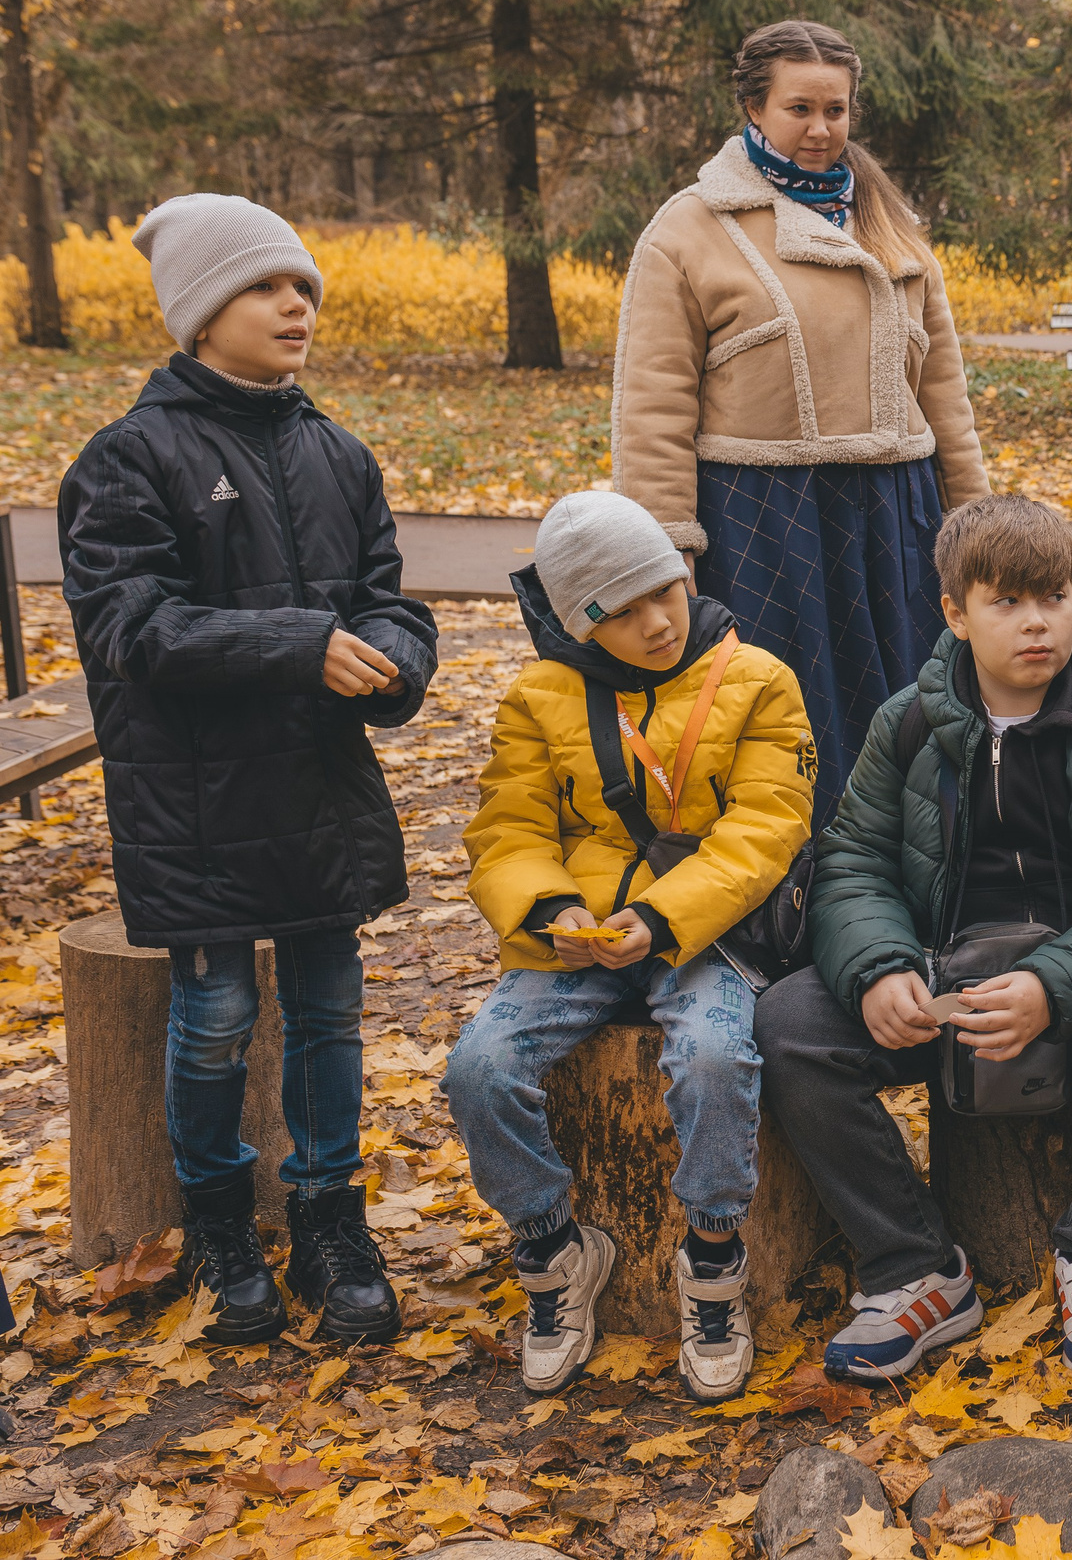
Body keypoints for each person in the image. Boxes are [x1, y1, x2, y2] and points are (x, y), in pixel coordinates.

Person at [59, 194, 439, 1347]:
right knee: (215, 1016)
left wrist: (401, 658)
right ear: (199, 312)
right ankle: (220, 1221)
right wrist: (298, 644)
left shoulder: (337, 451)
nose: (297, 306)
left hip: (319, 796)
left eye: (306, 289)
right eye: (268, 287)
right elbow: (130, 629)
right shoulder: (129, 459)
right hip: (200, 806)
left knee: (330, 1013)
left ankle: (331, 1217)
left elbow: (384, 591)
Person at [760, 496, 1072, 1385]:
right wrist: (881, 967)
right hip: (946, 972)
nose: (1037, 621)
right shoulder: (911, 722)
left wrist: (1055, 983)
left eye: (1053, 595)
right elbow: (852, 858)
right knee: (789, 1022)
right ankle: (917, 1270)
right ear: (955, 612)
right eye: (1006, 600)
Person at [445, 491, 814, 1401]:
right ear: (580, 622)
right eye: (621, 610)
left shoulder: (758, 678)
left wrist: (662, 917)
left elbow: (766, 829)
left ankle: (714, 1255)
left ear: (686, 572)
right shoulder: (539, 696)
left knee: (718, 1057)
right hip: (578, 938)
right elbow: (508, 826)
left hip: (703, 932)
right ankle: (551, 1247)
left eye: (665, 590)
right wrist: (550, 912)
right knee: (479, 1068)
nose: (655, 621)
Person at [613, 18, 991, 820]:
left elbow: (944, 390)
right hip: (766, 521)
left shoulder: (890, 223)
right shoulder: (688, 230)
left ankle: (917, 885)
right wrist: (663, 548)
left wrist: (976, 522)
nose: (822, 130)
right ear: (754, 107)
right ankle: (792, 904)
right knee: (788, 725)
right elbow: (653, 403)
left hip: (898, 514)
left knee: (914, 712)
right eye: (800, 109)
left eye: (838, 110)